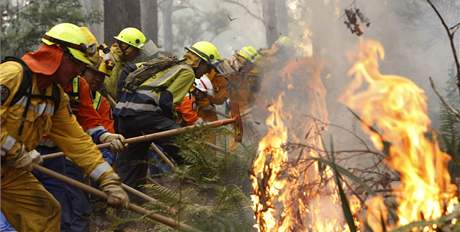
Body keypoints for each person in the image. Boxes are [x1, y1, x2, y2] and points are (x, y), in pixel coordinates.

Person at [0, 23, 129, 231]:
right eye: (78, 64)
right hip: (13, 161)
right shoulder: (12, 75)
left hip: (9, 171)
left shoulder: (56, 96)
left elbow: (77, 140)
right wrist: (16, 150)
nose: (79, 72)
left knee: (46, 213)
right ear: (58, 55)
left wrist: (109, 180)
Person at [114, 41, 222, 196]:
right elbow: (166, 101)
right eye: (207, 68)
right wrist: (172, 123)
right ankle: (206, 185)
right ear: (200, 62)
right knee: (183, 145)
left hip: (124, 115)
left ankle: (127, 204)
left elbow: (129, 71)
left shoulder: (170, 64)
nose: (205, 73)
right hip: (144, 114)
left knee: (133, 163)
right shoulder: (187, 72)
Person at [103, 27, 147, 101]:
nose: (138, 54)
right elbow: (111, 91)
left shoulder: (122, 62)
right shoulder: (110, 61)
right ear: (124, 47)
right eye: (136, 50)